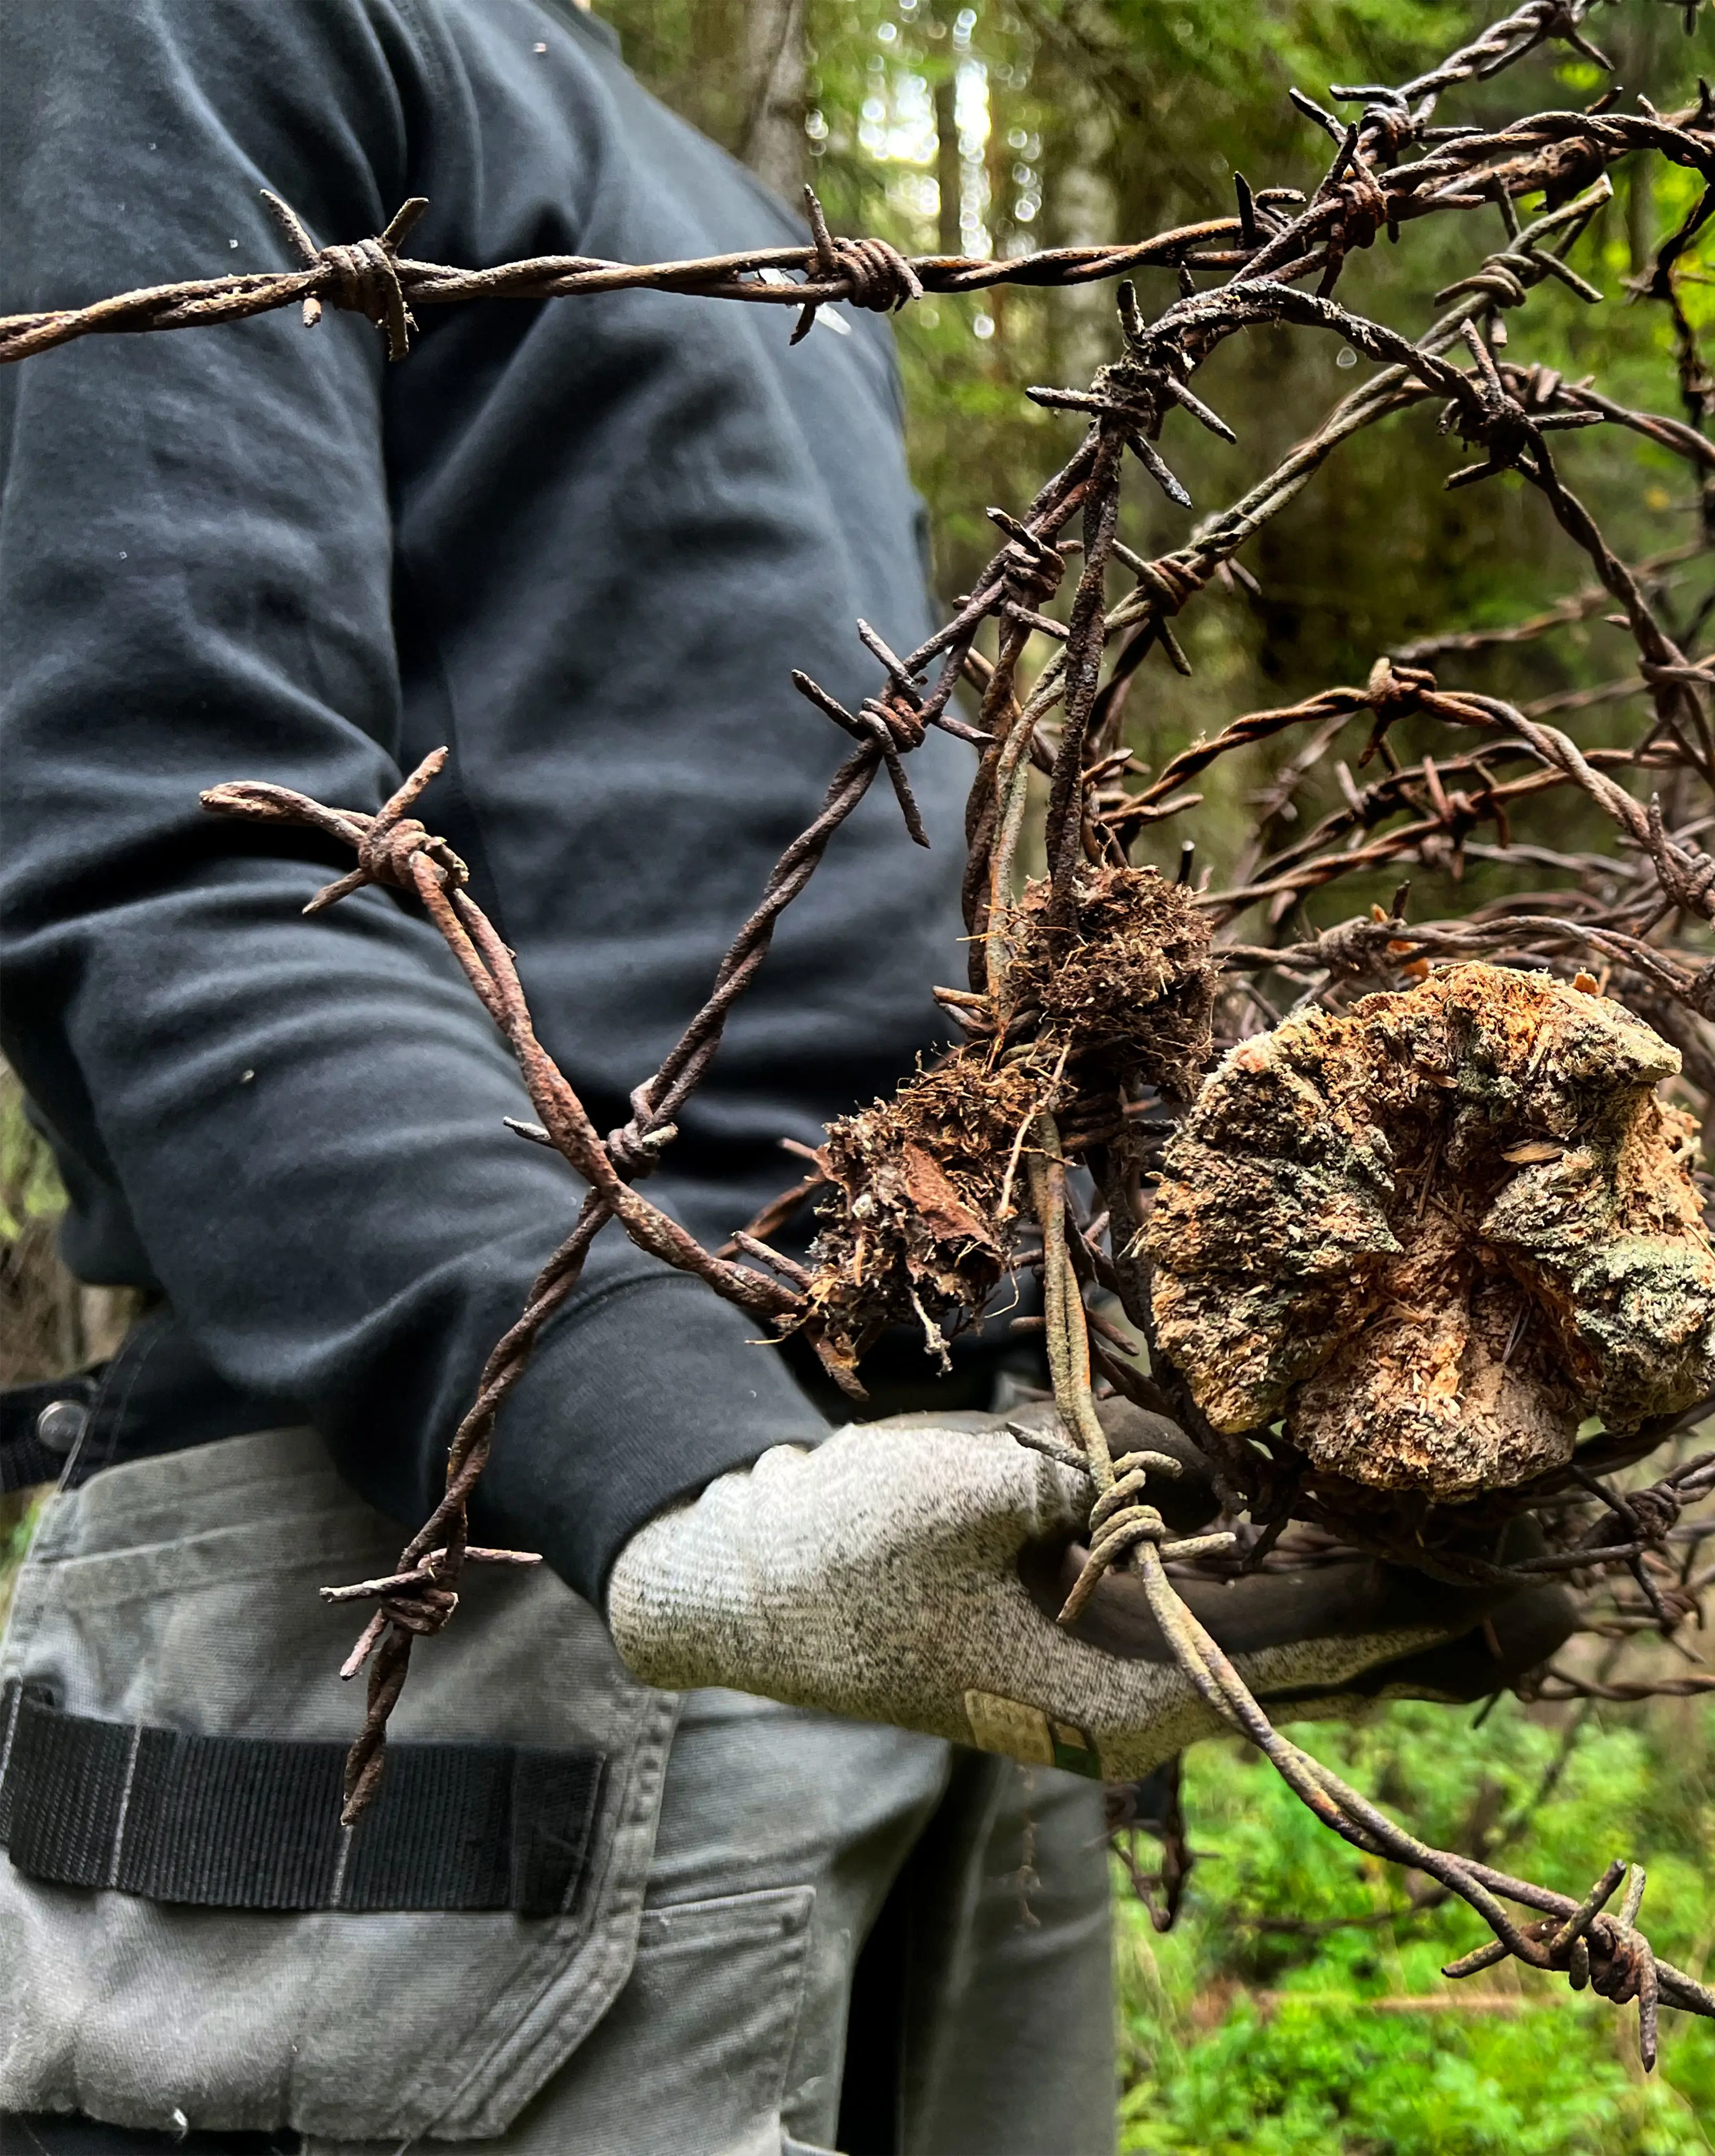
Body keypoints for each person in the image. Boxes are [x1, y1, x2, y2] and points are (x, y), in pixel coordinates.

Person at [0, 3, 1555, 2149]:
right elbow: (179, 830)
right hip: (457, 1573)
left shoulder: (736, 213)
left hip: (930, 1568)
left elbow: (839, 957)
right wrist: (670, 1457)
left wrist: (1166, 1339)